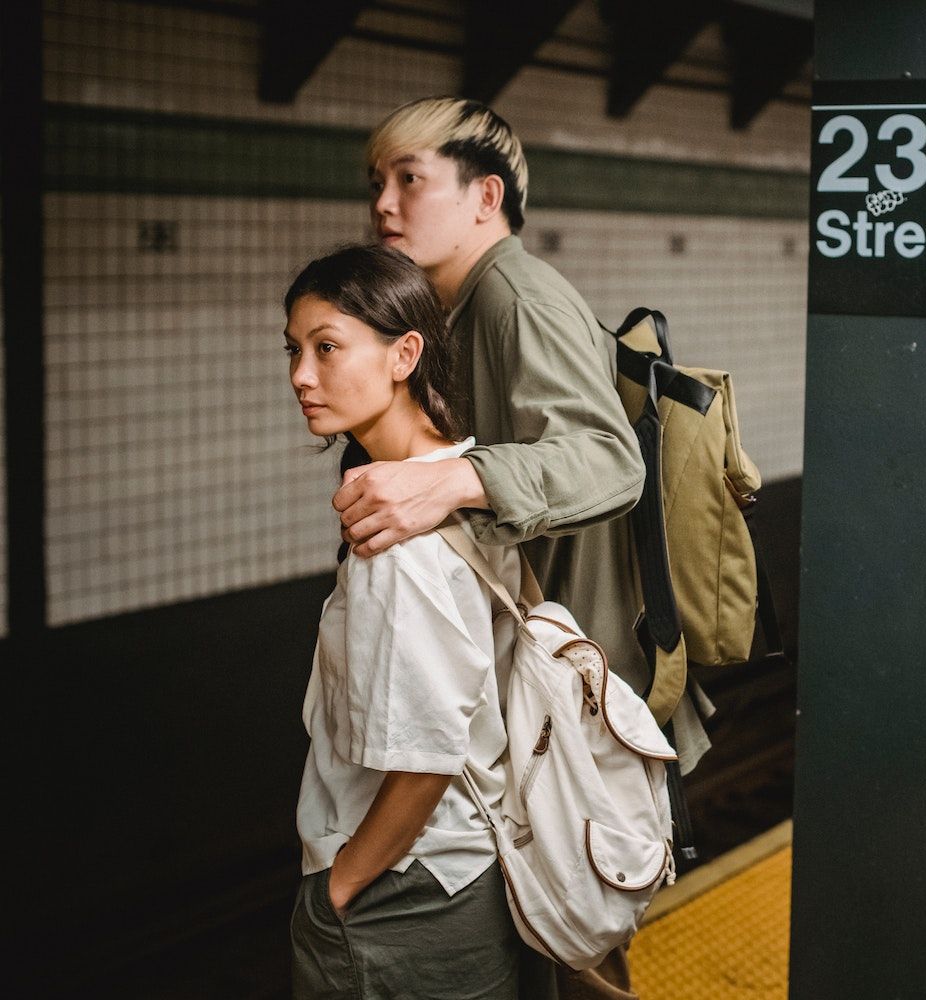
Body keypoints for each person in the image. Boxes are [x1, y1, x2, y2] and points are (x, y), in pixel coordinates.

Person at [339, 97, 715, 1000]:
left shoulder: (517, 294)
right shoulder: (462, 303)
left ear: (485, 195)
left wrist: (450, 482)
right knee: (548, 939)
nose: (384, 204)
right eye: (377, 184)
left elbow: (605, 463)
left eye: (409, 180)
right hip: (547, 695)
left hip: (578, 700)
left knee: (577, 941)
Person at [285, 244, 527, 999]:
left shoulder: (400, 539)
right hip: (467, 871)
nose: (300, 374)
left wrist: (339, 892)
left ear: (404, 355)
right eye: (294, 350)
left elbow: (424, 760)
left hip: (407, 894)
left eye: (327, 348)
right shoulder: (464, 477)